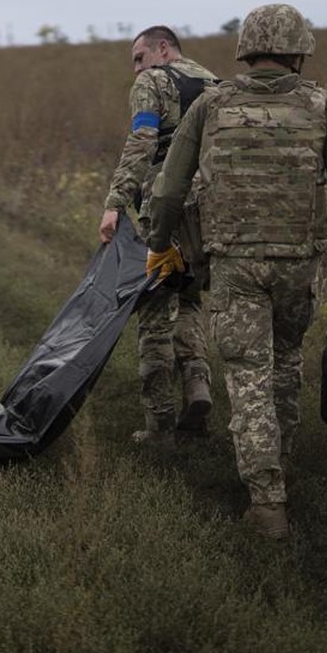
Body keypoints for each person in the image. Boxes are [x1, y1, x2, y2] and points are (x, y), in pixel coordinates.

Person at [144, 4, 327, 539]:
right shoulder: (321, 107)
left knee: (246, 372)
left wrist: (159, 245)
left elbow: (167, 188)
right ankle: (280, 469)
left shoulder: (210, 105)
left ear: (246, 51)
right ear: (299, 52)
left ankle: (266, 500)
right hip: (300, 264)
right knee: (284, 364)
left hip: (233, 264)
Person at [98, 26, 218, 448]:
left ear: (162, 49)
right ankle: (199, 391)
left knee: (152, 306)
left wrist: (115, 202)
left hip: (165, 209)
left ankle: (159, 425)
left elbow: (142, 141)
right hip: (211, 215)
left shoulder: (153, 82)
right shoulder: (214, 84)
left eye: (138, 57)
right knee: (187, 298)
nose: (136, 70)